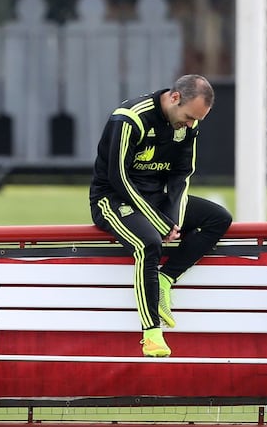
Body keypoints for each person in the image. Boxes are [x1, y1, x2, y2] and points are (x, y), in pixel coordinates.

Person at [89, 74, 232, 357]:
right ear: (175, 97)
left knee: (219, 218)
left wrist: (173, 215)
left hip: (156, 198)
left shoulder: (189, 125)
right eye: (189, 117)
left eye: (197, 121)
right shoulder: (130, 118)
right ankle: (152, 333)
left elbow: (182, 175)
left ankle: (166, 279)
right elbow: (117, 177)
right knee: (149, 243)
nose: (191, 125)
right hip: (113, 199)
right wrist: (158, 222)